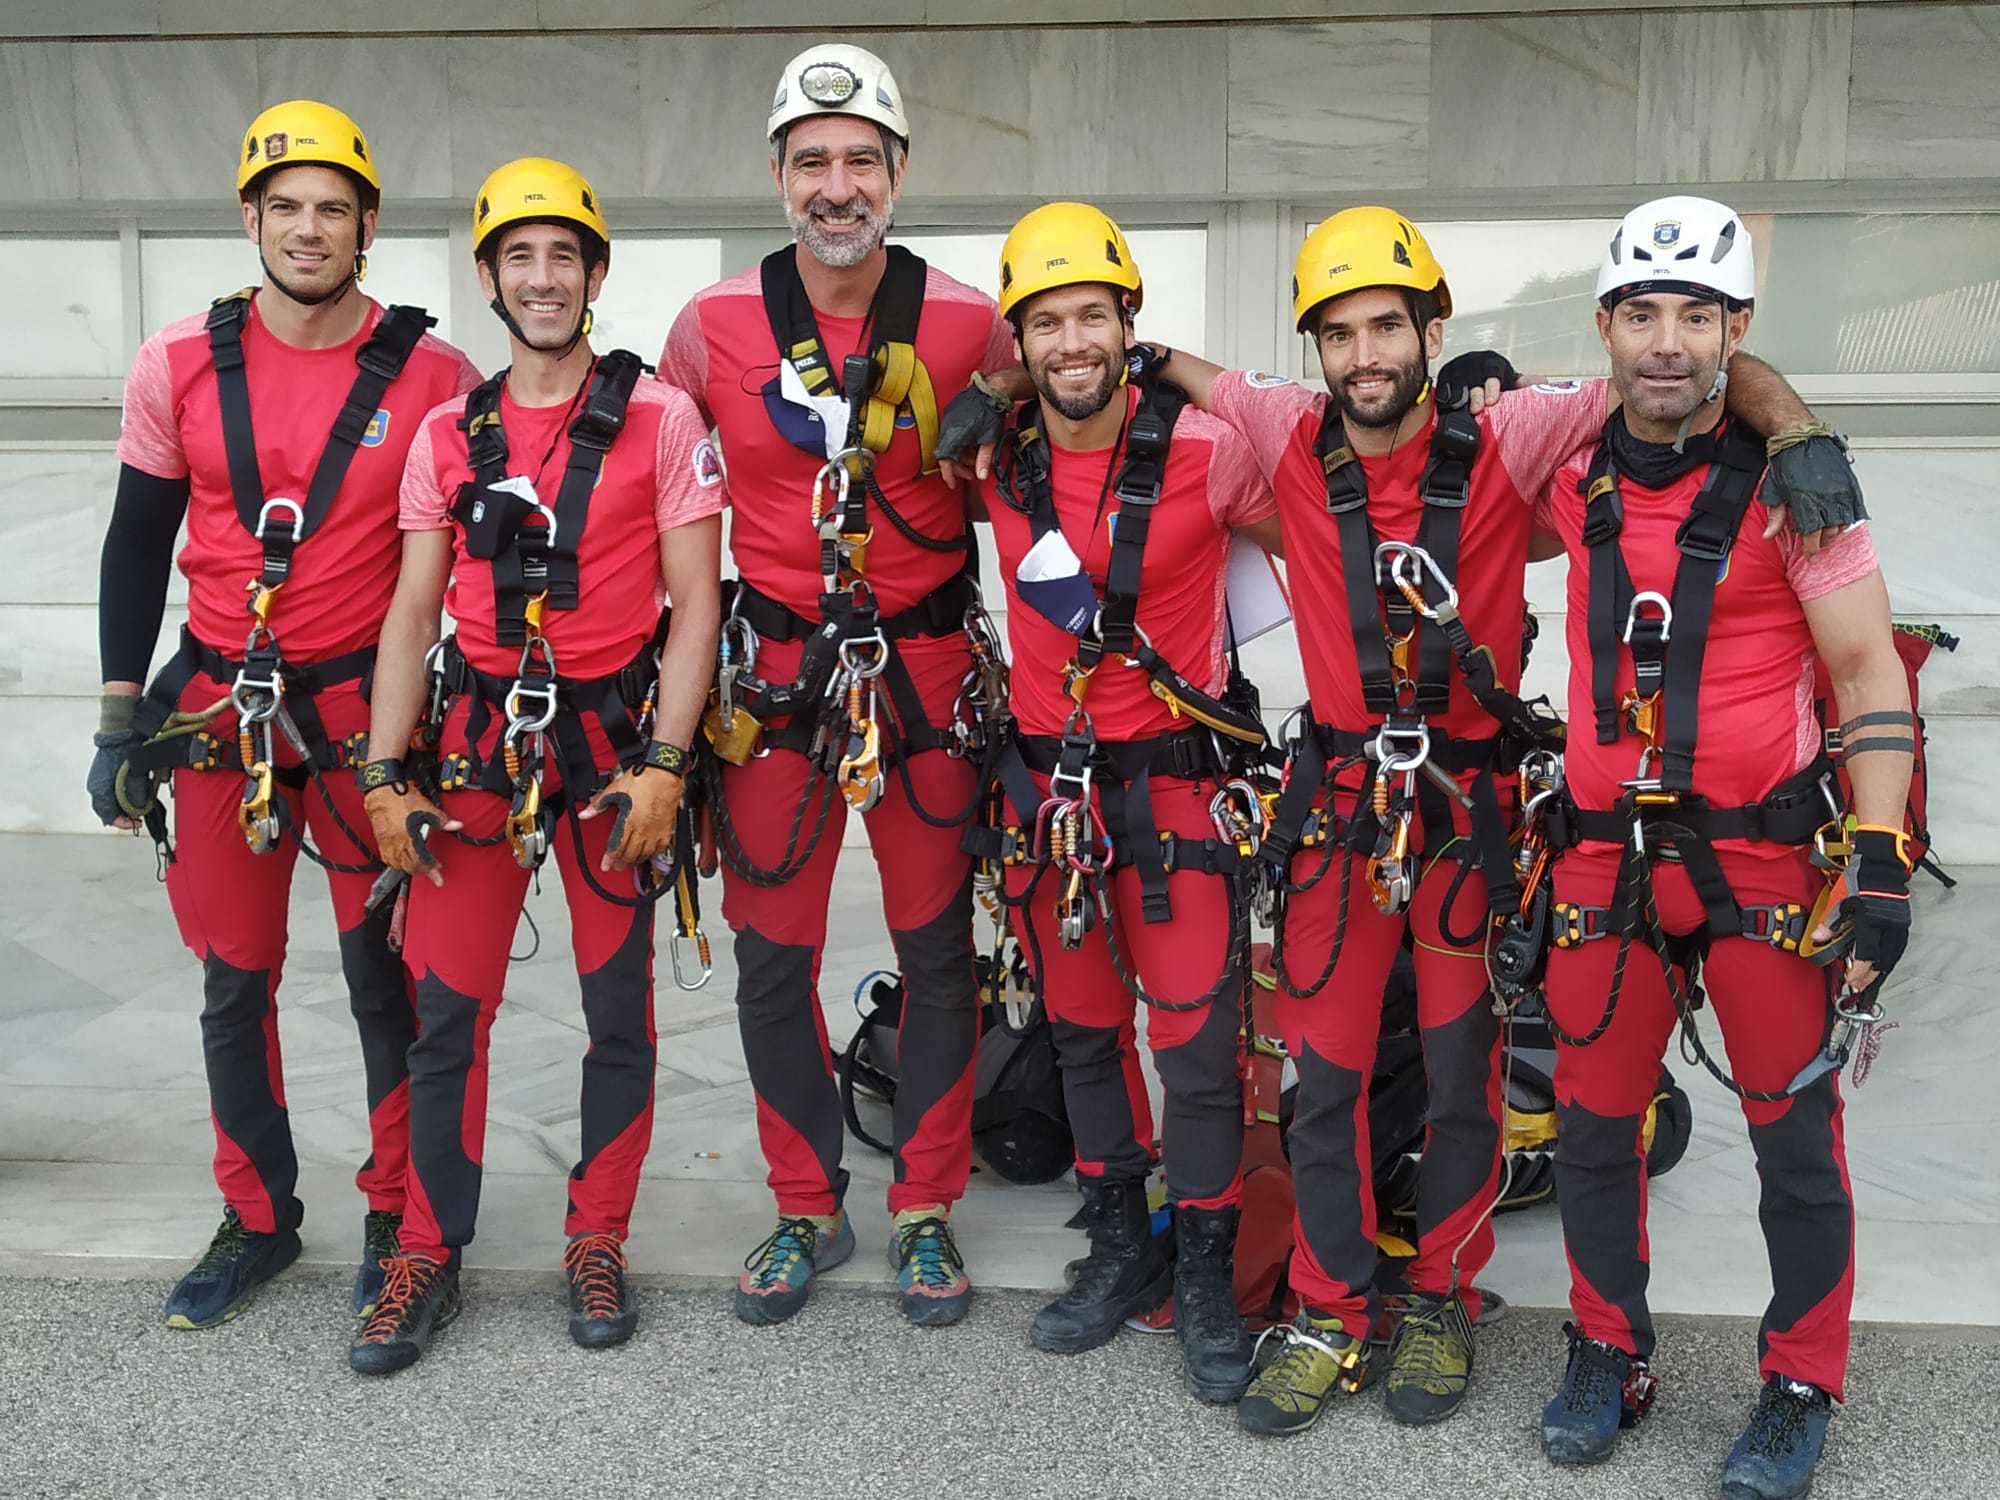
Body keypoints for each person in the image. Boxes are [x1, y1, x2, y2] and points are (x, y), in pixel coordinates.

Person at [1145, 206, 1838, 1434]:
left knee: (1464, 1075)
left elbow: (1684, 367)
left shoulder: (1517, 430)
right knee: (1325, 1077)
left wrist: (1792, 429)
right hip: (1342, 809)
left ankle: (1440, 1296)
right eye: (1339, 334)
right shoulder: (1281, 426)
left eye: (1387, 329)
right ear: (1315, 347)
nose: (1364, 357)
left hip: (1469, 817)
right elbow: (1171, 365)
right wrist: (1052, 364)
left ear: (1430, 329)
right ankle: (1326, 1304)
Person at [1534, 196, 1912, 1500]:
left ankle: (1802, 1380)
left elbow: (1867, 668)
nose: (1667, 342)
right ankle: (1607, 1347)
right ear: (1605, 323)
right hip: (1598, 859)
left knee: (1794, 1138)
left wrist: (1879, 858)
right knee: (1589, 1130)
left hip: (1760, 862)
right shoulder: (1557, 453)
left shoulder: (1806, 488)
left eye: (1697, 316)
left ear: (1735, 326)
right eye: (1644, 311)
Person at [88, 99, 480, 1331]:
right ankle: (256, 1214)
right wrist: (114, 719)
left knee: (385, 975)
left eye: (332, 209)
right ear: (251, 218)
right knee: (232, 977)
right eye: (285, 207)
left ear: (367, 225)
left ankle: (393, 1206)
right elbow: (136, 542)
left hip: (370, 710)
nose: (308, 229)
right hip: (221, 707)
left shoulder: (436, 375)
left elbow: (466, 558)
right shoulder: (176, 365)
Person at [656, 43, 1018, 1328]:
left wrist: (1005, 400)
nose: (835, 184)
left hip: (923, 666)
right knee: (772, 961)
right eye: (811, 162)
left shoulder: (976, 321)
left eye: (860, 159)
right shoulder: (709, 329)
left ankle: (923, 1206)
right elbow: (660, 499)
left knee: (934, 954)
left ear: (899, 173)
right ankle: (803, 1203)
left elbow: (1091, 396)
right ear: (776, 176)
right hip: (769, 673)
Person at [349, 157, 723, 1373]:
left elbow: (694, 604)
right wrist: (382, 771)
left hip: (613, 753)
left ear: (596, 272)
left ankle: (596, 1233)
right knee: (446, 1014)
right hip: (472, 754)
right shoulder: (444, 435)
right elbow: (410, 614)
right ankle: (424, 1246)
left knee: (619, 1013)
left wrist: (668, 761)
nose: (544, 276)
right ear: (489, 280)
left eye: (564, 254)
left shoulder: (664, 417)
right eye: (520, 256)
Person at [966, 203, 1281, 1402]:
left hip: (1180, 795)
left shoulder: (1209, 451)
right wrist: (977, 399)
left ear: (1129, 325)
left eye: (1092, 316)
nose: (1070, 343)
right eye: (1044, 323)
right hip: (1052, 800)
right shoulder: (993, 454)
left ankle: (1198, 1264)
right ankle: (1117, 1240)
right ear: (1022, 338)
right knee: (1084, 1034)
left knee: (1196, 1047)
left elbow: (1317, 492)